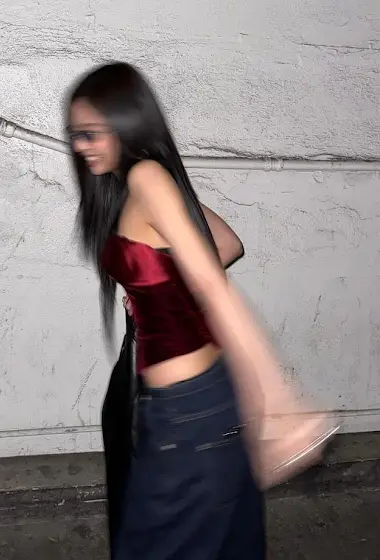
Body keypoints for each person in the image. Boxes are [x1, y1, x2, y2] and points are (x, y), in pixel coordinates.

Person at [67, 61, 334, 559]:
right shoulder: (134, 182)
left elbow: (215, 285)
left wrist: (280, 401)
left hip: (191, 411)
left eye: (90, 133)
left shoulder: (147, 177)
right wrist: (153, 289)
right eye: (75, 135)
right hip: (179, 405)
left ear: (125, 122)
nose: (80, 146)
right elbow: (226, 244)